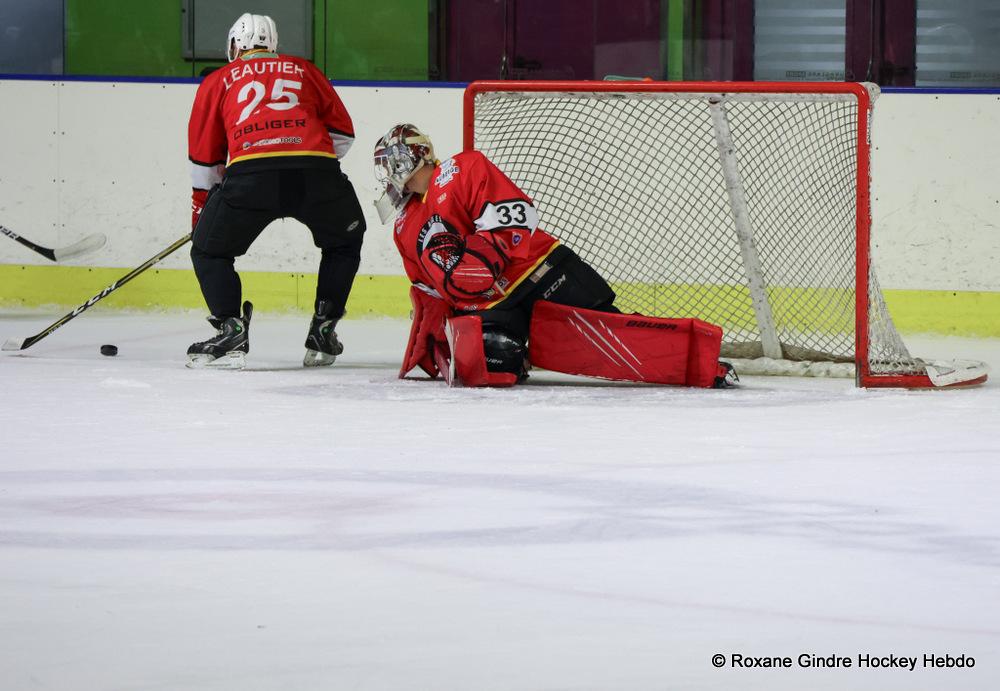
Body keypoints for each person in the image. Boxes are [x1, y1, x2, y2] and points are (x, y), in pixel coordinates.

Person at [373, 124, 735, 388]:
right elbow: (429, 291)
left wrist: (489, 253)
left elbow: (517, 214)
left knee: (614, 338)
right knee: (495, 359)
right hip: (495, 308)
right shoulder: (405, 224)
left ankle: (700, 362)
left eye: (389, 163)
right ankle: (520, 352)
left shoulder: (459, 170)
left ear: (407, 158)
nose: (387, 174)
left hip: (540, 272)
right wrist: (439, 336)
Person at [186, 13, 366, 369]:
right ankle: (324, 329)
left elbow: (204, 157)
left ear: (234, 46)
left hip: (251, 177)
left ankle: (230, 328)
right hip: (316, 173)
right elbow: (343, 134)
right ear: (273, 45)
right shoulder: (305, 69)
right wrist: (307, 154)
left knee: (207, 252)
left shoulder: (219, 80)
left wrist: (203, 207)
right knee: (345, 240)